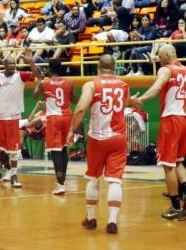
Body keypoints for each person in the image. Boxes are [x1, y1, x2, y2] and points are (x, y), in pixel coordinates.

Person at [67, 54, 130, 234]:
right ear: (115, 66)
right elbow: (124, 104)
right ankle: (112, 220)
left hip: (98, 137)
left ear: (98, 66)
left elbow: (80, 108)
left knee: (93, 177)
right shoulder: (123, 85)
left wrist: (72, 130)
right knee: (115, 180)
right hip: (118, 137)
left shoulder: (92, 84)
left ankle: (91, 217)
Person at [131, 45, 186, 220]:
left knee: (168, 165)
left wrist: (140, 99)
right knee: (178, 162)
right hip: (184, 118)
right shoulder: (185, 70)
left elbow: (156, 88)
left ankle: (176, 208)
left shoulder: (166, 69)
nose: (159, 59)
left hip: (171, 119)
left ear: (169, 54)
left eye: (161, 56)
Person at [0, 48, 39, 188]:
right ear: (4, 64)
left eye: (14, 64)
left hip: (13, 118)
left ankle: (13, 175)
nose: (13, 66)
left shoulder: (20, 75)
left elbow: (36, 74)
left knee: (14, 151)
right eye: (10, 64)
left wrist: (31, 61)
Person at [34, 59, 78, 195]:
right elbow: (75, 100)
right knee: (64, 149)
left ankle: (60, 184)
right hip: (67, 116)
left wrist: (39, 80)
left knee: (55, 151)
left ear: (50, 69)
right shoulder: (68, 82)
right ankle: (62, 182)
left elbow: (36, 96)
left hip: (54, 118)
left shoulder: (44, 83)